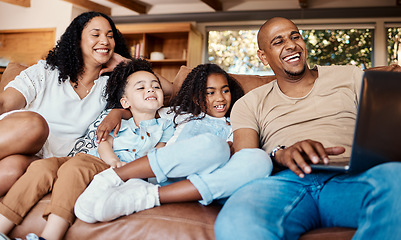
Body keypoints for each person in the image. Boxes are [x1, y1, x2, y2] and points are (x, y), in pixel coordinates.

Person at [214, 17, 401, 240]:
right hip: (285, 183)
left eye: (295, 36)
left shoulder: (349, 76)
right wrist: (280, 154)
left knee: (396, 178)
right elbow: (245, 163)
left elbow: (386, 128)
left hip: (351, 179)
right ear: (263, 56)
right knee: (238, 216)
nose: (291, 45)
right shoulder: (249, 103)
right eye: (278, 41)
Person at [74, 63, 273, 223]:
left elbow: (240, 154)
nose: (220, 98)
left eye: (225, 90)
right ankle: (112, 178)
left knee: (260, 160)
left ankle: (147, 197)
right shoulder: (178, 113)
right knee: (215, 146)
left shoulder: (237, 122)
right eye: (210, 92)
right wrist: (116, 111)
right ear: (195, 96)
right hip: (165, 172)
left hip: (207, 181)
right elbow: (142, 110)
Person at [0, 59, 174, 240]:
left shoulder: (166, 125)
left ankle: (50, 235)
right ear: (125, 101)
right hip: (97, 158)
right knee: (41, 168)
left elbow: (158, 155)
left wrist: (123, 168)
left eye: (156, 87)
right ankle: (2, 227)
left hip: (107, 168)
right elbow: (104, 143)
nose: (151, 90)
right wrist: (113, 160)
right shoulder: (117, 119)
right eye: (141, 87)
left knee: (74, 169)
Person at [0, 11, 133, 197]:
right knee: (35, 124)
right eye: (96, 35)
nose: (105, 41)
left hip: (47, 159)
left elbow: (166, 90)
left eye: (110, 36)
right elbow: (5, 103)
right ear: (77, 40)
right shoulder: (46, 72)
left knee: (11, 171)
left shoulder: (112, 85)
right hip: (19, 138)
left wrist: (129, 64)